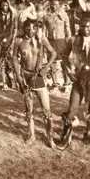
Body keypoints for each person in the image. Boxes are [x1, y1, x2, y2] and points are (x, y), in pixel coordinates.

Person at [57, 16, 90, 149]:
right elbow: (64, 56)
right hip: (79, 80)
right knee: (72, 109)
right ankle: (66, 137)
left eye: (88, 26)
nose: (85, 29)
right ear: (79, 26)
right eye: (83, 26)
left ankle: (89, 133)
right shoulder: (73, 40)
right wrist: (69, 73)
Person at [12, 18, 57, 148]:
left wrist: (46, 67)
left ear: (37, 29)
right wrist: (18, 76)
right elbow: (14, 57)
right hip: (26, 77)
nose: (31, 31)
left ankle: (50, 137)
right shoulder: (19, 41)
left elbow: (53, 53)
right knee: (29, 109)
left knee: (47, 110)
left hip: (39, 77)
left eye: (33, 28)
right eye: (28, 28)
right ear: (23, 28)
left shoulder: (41, 40)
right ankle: (31, 135)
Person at [42, 0, 72, 91]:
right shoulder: (46, 16)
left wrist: (69, 40)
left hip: (61, 39)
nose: (54, 6)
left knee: (64, 61)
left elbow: (67, 28)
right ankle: (55, 82)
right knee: (52, 61)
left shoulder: (64, 15)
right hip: (51, 40)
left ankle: (67, 82)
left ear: (59, 5)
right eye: (52, 4)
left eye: (56, 4)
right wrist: (44, 41)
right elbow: (43, 30)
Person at [0, 0, 17, 90]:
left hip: (9, 39)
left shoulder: (13, 15)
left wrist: (12, 40)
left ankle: (10, 80)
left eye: (6, 5)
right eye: (3, 5)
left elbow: (15, 29)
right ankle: (1, 80)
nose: (4, 7)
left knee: (8, 60)